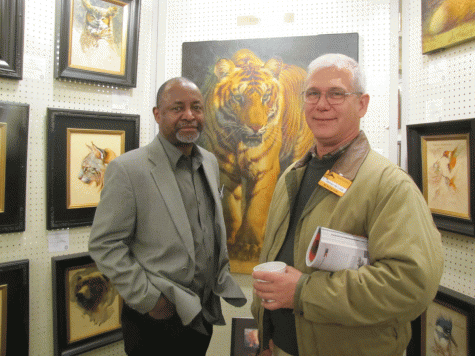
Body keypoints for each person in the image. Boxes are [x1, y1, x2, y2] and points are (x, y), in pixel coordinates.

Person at [251, 54, 444, 356]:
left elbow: (411, 284)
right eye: (312, 93)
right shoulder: (291, 176)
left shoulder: (390, 186)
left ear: (362, 104)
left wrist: (303, 292)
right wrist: (268, 335)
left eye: (336, 93)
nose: (322, 104)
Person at [89, 77, 247, 356]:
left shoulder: (209, 161)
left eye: (196, 108)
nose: (189, 116)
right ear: (158, 114)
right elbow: (105, 244)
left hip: (201, 312)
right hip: (156, 318)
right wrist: (150, 300)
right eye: (177, 108)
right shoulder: (128, 169)